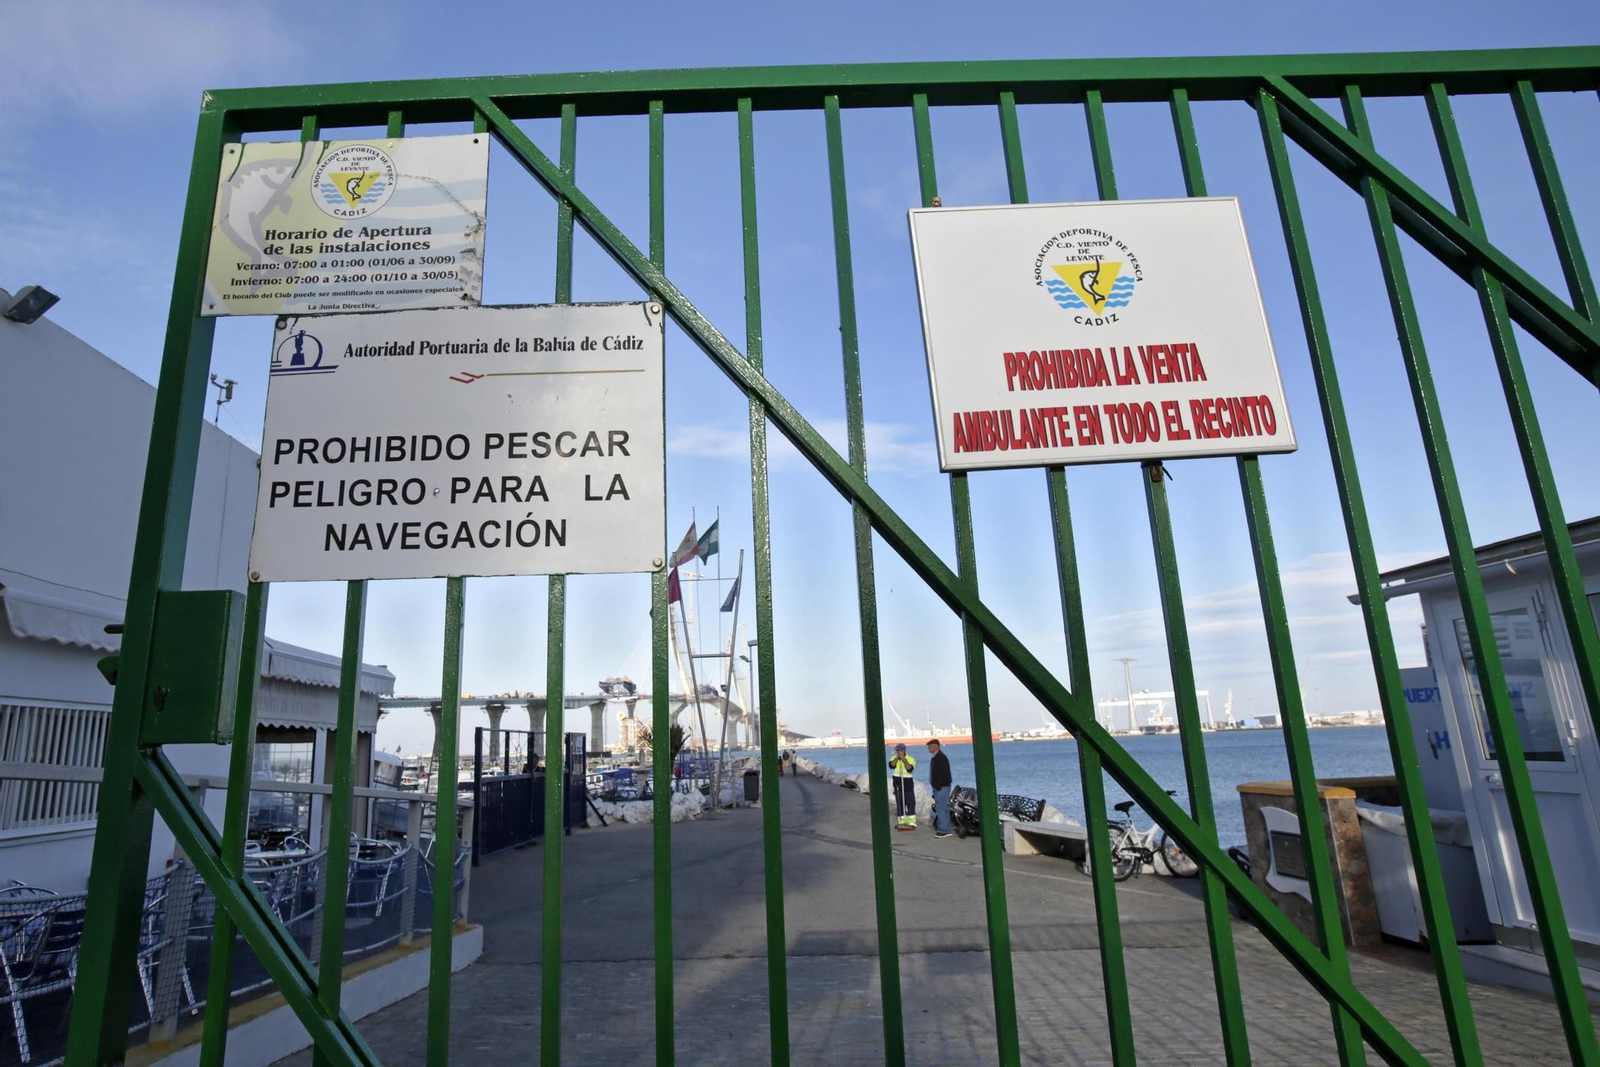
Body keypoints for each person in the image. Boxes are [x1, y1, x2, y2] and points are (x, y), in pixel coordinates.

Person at [926, 739, 953, 838]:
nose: (928, 748)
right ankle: (948, 829)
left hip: (941, 787)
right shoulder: (936, 757)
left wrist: (937, 785)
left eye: (930, 746)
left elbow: (942, 773)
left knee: (941, 808)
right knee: (944, 808)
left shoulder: (940, 758)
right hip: (941, 786)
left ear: (935, 746)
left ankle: (942, 830)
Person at [889, 743, 917, 830]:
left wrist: (904, 760)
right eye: (897, 750)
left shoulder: (911, 759)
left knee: (910, 803)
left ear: (904, 750)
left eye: (899, 750)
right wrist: (897, 758)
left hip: (908, 785)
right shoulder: (894, 758)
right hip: (898, 785)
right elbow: (891, 765)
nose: (898, 752)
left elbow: (909, 769)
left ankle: (911, 822)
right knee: (900, 804)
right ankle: (901, 821)